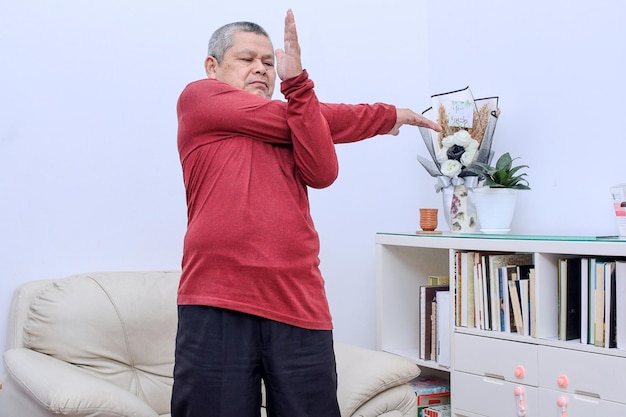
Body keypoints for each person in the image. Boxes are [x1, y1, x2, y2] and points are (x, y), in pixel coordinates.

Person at [171, 9, 441, 417]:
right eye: (247, 60)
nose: (261, 69)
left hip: (299, 301)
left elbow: (323, 173)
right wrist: (384, 116)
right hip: (218, 298)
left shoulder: (300, 119)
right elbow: (310, 117)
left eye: (269, 63)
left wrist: (298, 88)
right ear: (213, 67)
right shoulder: (199, 100)